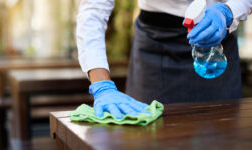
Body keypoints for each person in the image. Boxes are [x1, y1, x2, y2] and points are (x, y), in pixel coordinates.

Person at [76, 0, 252, 119]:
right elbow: (93, 10)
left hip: (216, 40)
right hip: (155, 46)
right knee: (148, 136)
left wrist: (230, 10)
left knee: (221, 132)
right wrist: (101, 86)